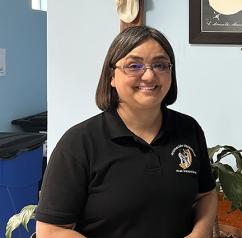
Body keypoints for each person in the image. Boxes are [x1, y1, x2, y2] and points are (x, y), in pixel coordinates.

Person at [35, 26, 217, 238]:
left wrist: (198, 235)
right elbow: (51, 230)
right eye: (134, 65)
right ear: (112, 76)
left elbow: (206, 194)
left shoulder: (188, 129)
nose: (149, 76)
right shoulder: (79, 142)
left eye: (160, 65)